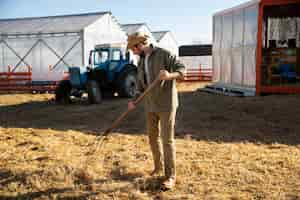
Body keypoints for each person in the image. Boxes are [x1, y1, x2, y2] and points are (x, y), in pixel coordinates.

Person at [126, 32, 185, 190]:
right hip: (150, 105)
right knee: (153, 138)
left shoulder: (164, 54)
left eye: (133, 49)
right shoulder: (141, 61)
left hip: (166, 105)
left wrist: (169, 75)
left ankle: (170, 176)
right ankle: (158, 167)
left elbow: (182, 71)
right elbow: (140, 85)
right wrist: (134, 101)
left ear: (138, 45)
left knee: (167, 141)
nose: (132, 52)